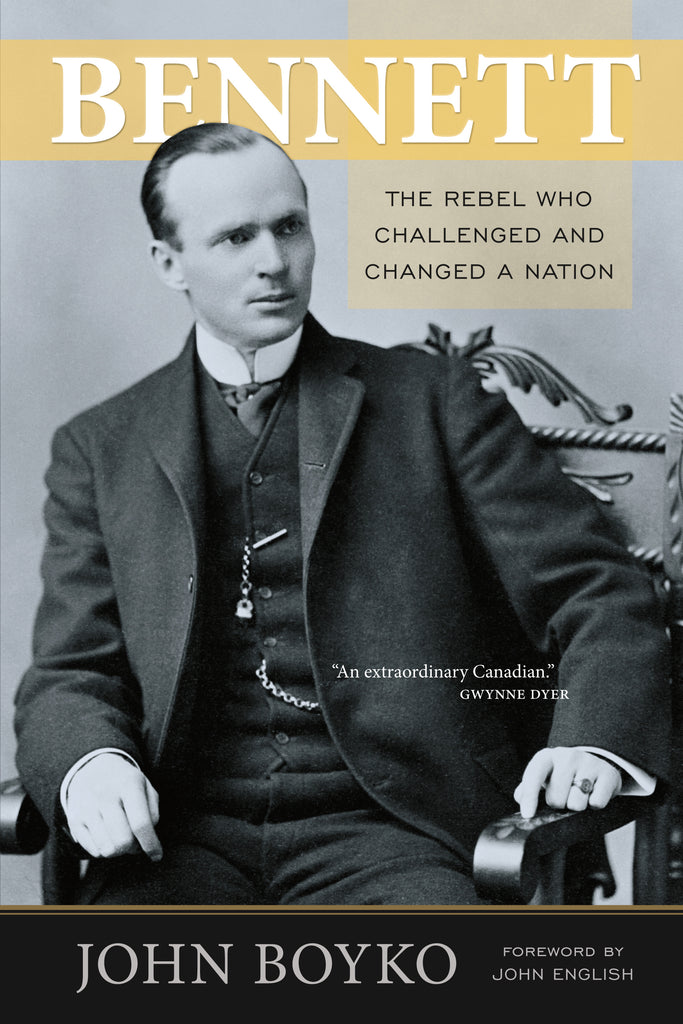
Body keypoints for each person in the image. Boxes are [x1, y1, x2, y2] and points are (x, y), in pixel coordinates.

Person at [13, 123, 671, 905]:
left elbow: (598, 593)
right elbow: (71, 668)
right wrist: (91, 763)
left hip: (397, 830)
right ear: (169, 263)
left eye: (289, 226)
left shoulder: (436, 404)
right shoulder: (101, 446)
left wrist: (589, 742)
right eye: (235, 238)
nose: (273, 260)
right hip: (178, 836)